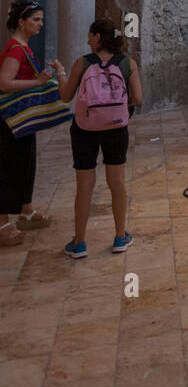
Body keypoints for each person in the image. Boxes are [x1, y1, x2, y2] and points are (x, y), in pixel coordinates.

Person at [57, 19, 142, 258]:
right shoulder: (127, 63)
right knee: (117, 182)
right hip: (116, 128)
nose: (87, 40)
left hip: (85, 128)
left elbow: (65, 96)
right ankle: (120, 236)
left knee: (84, 185)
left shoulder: (82, 63)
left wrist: (61, 74)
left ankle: (80, 242)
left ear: (97, 38)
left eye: (89, 35)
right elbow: (137, 97)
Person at [0, 1, 61, 247]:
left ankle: (26, 210)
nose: (40, 24)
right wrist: (37, 83)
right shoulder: (15, 49)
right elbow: (4, 83)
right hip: (10, 119)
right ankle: (3, 223)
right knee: (7, 167)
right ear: (21, 22)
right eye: (36, 19)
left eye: (41, 19)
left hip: (23, 117)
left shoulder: (23, 46)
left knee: (26, 163)